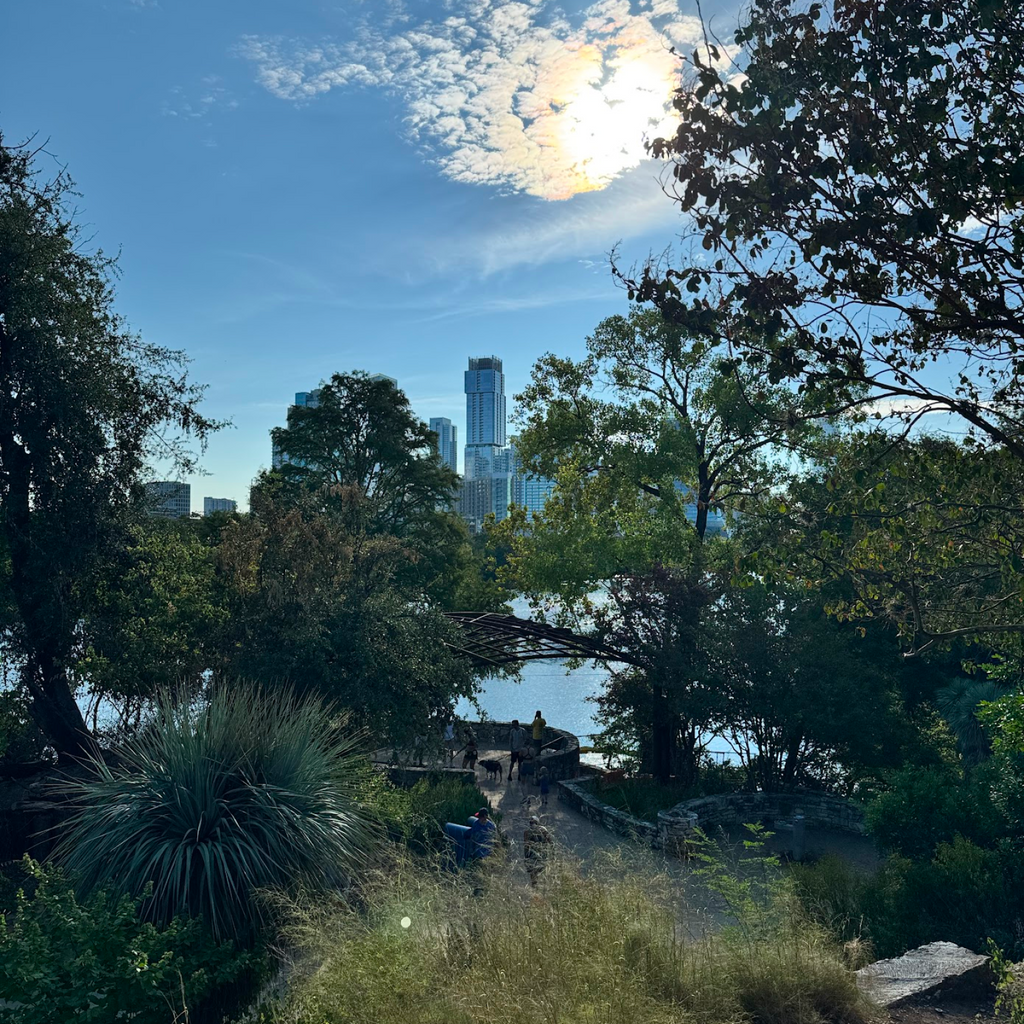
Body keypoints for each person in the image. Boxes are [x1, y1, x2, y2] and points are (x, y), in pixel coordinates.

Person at [523, 814, 552, 886]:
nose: (532, 824)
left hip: (533, 854)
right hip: (542, 854)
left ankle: (535, 884)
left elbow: (526, 845)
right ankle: (538, 883)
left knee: (533, 871)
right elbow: (550, 841)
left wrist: (526, 856)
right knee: (540, 869)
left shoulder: (527, 832)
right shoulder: (543, 830)